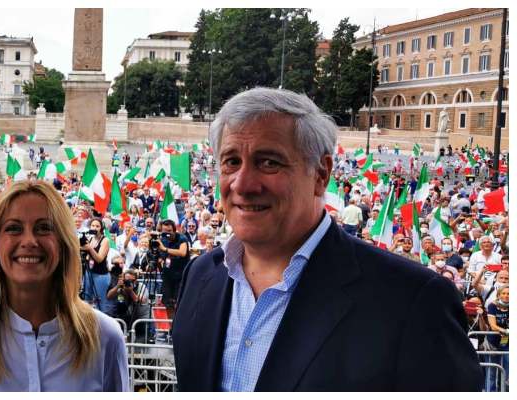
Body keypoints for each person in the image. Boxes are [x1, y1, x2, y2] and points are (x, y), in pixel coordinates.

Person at [171, 87, 480, 391]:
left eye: (269, 163)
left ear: (321, 175)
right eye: (231, 162)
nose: (243, 183)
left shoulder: (413, 301)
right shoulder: (200, 276)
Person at [0, 180, 128, 391]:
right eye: (14, 228)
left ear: (64, 242)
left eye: (44, 228)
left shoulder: (106, 338)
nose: (29, 241)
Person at [107, 269, 150, 342]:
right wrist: (117, 286)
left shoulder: (141, 287)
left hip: (140, 320)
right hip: (127, 318)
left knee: (139, 345)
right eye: (127, 280)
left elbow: (141, 301)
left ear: (136, 281)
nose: (128, 282)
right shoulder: (122, 287)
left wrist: (130, 291)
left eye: (131, 280)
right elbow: (109, 296)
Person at [80, 217, 112, 313]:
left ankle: (102, 325)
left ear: (101, 228)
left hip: (101, 275)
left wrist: (89, 249)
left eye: (97, 226)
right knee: (87, 299)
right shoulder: (89, 238)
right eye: (93, 225)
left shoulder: (105, 240)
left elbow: (99, 259)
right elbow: (86, 257)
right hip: (89, 272)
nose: (94, 228)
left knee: (100, 301)